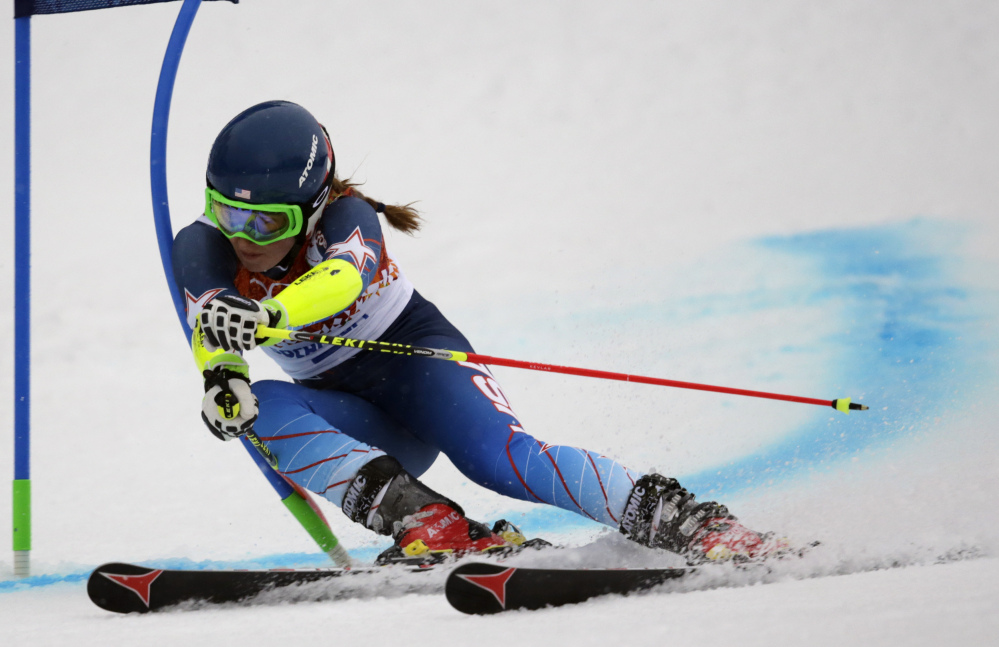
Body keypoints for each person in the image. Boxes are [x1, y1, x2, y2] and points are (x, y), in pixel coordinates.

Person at [173, 100, 784, 565]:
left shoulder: (346, 217)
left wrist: (274, 315)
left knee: (504, 462)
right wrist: (221, 376)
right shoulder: (201, 246)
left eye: (265, 220)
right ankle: (429, 521)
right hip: (355, 421)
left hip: (420, 365)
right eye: (228, 211)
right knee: (264, 406)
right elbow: (211, 321)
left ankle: (685, 520)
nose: (243, 237)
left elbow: (342, 279)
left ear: (308, 209)